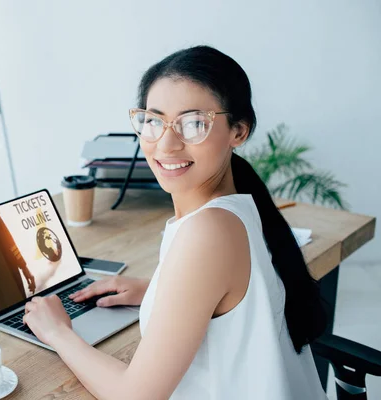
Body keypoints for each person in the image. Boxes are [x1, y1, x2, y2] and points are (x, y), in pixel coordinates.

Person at [22, 45, 328, 399]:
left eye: (194, 123)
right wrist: (158, 291)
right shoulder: (235, 206)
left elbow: (135, 395)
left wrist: (58, 332)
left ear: (238, 132)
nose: (166, 144)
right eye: (154, 121)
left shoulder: (208, 230)